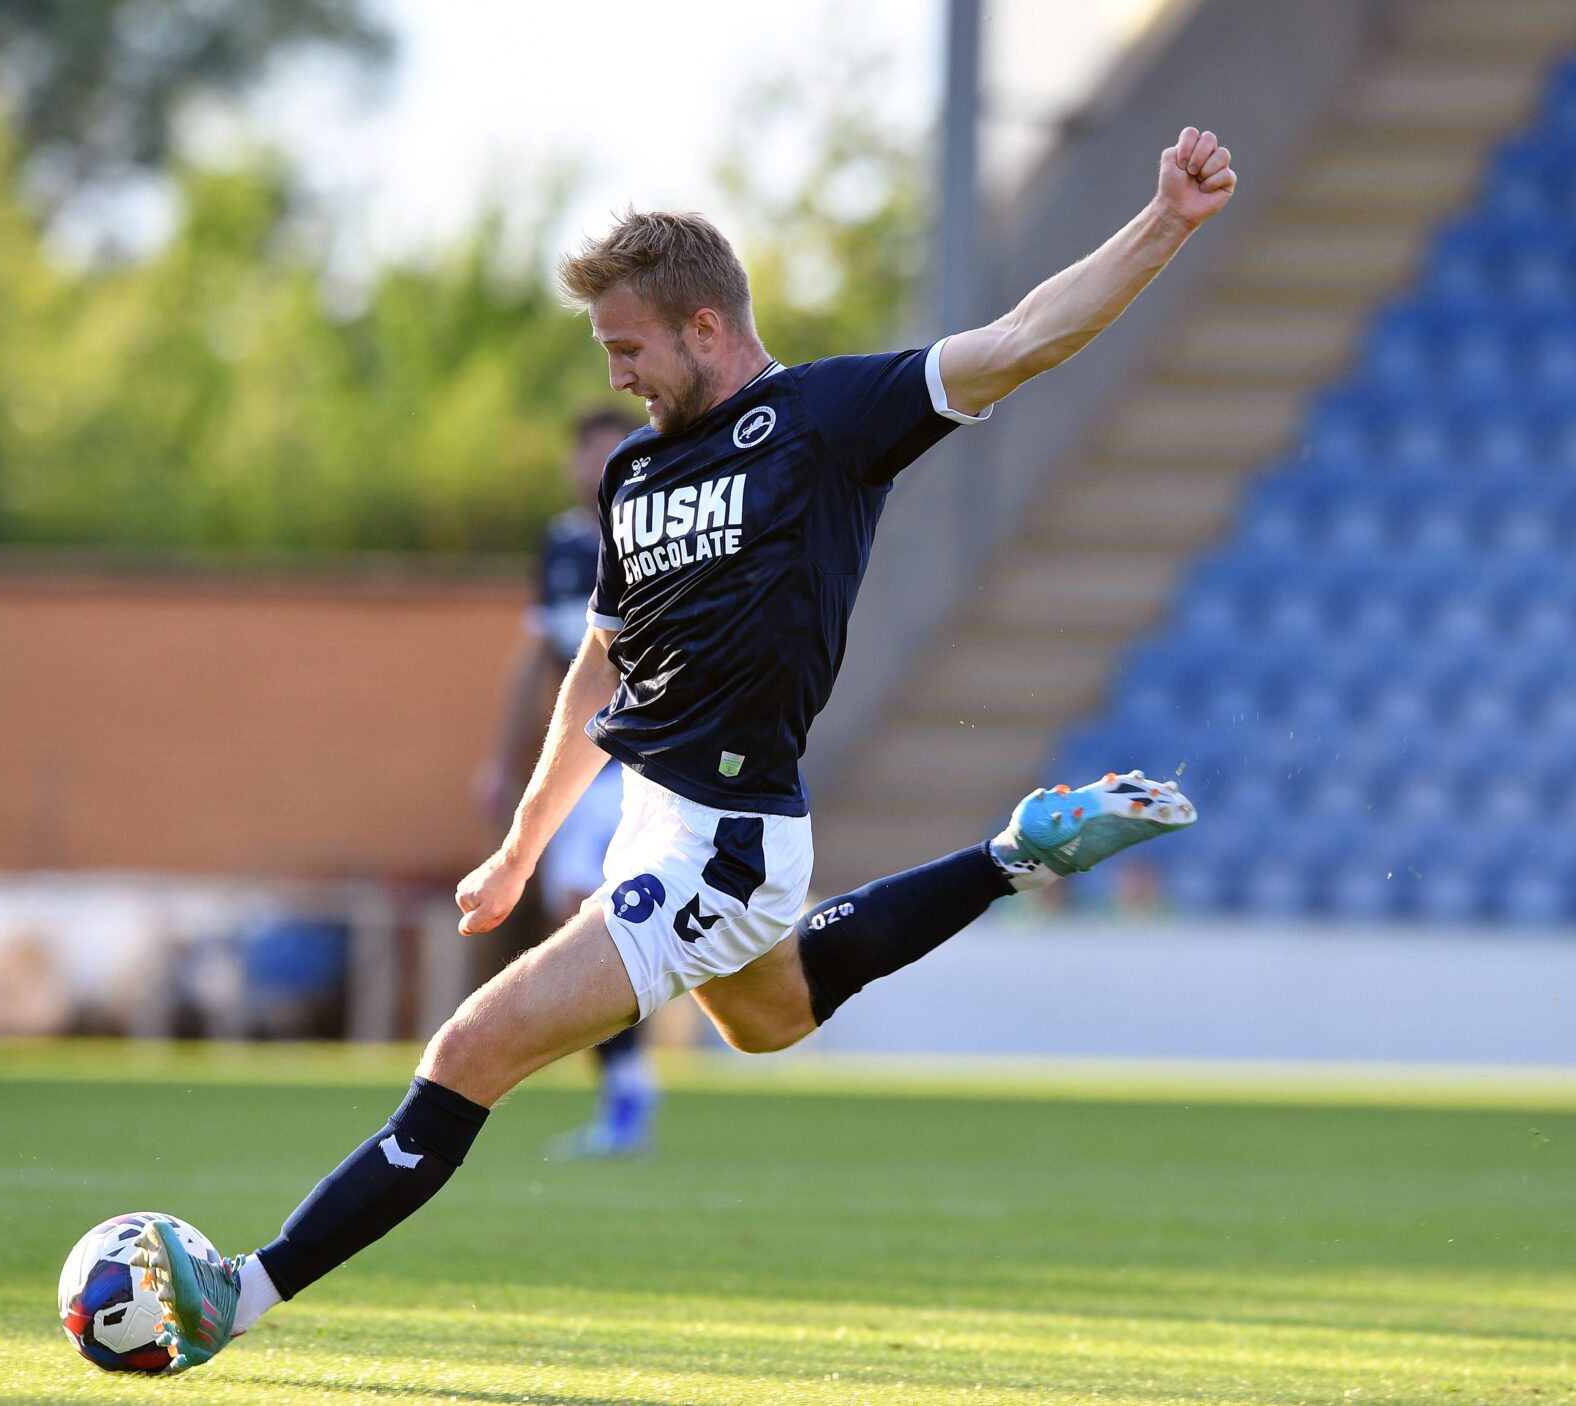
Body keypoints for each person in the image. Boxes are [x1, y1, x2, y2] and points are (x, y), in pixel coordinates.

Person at [136, 127, 1235, 1370]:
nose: (617, 378)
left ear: (704, 326)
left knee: (468, 1051)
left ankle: (238, 1293)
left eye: (628, 350)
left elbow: (1022, 336)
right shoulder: (637, 473)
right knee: (767, 1019)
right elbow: (596, 669)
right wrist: (520, 848)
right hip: (654, 823)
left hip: (723, 837)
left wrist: (1164, 219)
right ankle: (1015, 851)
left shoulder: (824, 419)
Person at [476, 405, 659, 1160]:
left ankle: (629, 1092)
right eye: (586, 453)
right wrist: (500, 761)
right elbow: (538, 658)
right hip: (573, 766)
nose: (596, 467)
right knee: (577, 921)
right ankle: (625, 1088)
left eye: (611, 452)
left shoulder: (656, 528)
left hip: (636, 763)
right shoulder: (560, 545)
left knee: (597, 917)